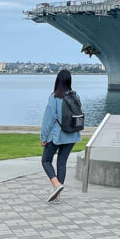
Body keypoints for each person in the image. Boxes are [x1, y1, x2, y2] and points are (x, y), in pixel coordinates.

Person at [40, 69, 82, 202]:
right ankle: (58, 194)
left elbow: (49, 119)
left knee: (46, 161)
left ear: (57, 81)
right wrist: (76, 135)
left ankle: (56, 184)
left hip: (56, 135)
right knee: (61, 162)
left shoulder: (54, 97)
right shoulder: (76, 96)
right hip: (71, 135)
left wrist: (43, 137)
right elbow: (77, 116)